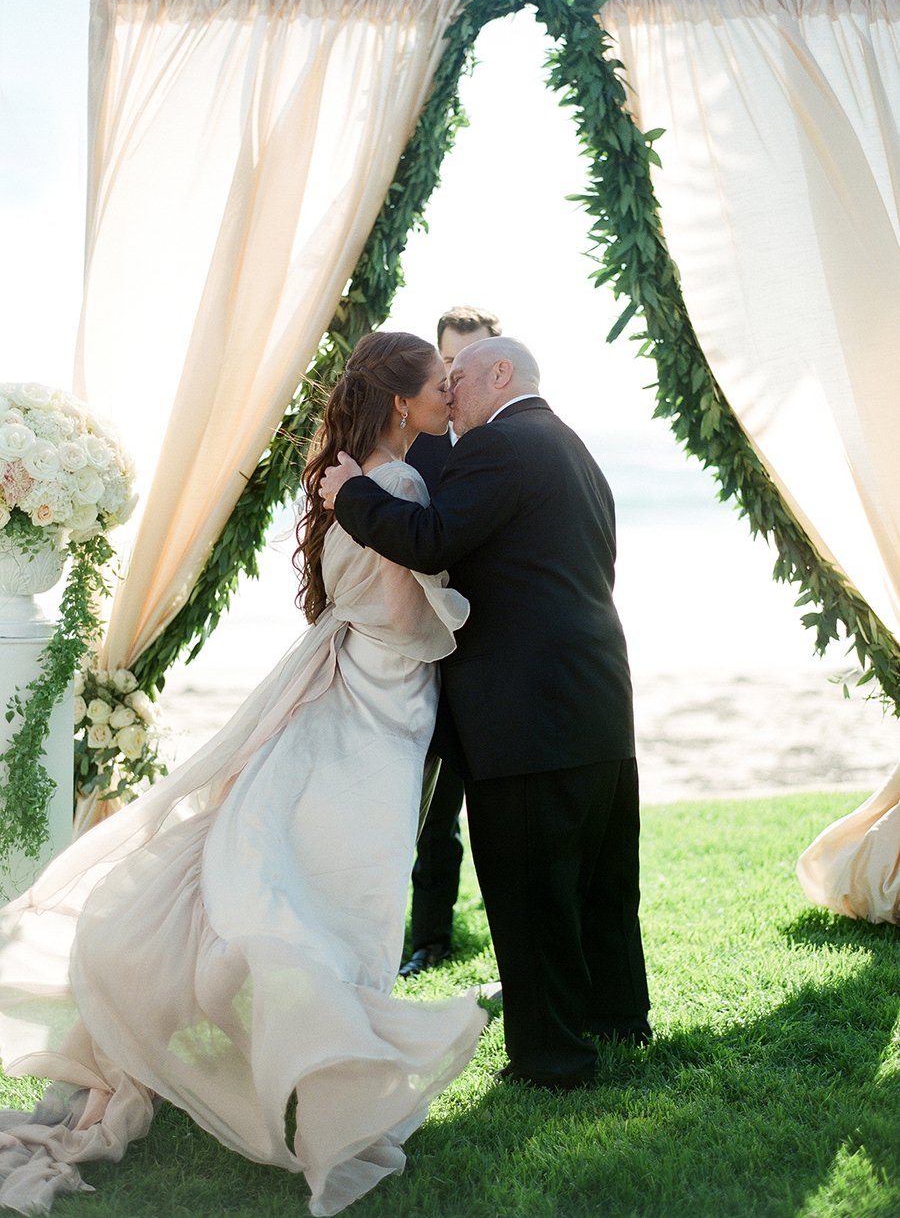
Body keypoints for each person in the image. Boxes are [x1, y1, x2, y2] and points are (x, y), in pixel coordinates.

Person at [0, 331, 486, 1216]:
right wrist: (463, 603)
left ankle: (299, 1047)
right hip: (376, 708)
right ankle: (334, 1074)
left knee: (285, 866)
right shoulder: (404, 484)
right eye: (437, 387)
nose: (449, 398)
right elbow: (407, 621)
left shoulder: (352, 475)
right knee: (360, 881)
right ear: (403, 404)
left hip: (329, 689)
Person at [320, 336, 651, 1090]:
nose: (449, 388)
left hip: (529, 712)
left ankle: (552, 1059)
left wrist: (353, 496)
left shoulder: (501, 445)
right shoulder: (571, 447)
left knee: (530, 891)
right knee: (602, 881)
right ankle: (617, 1016)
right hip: (596, 695)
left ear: (501, 374)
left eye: (458, 375)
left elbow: (431, 539)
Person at [400, 305, 501, 978]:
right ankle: (429, 936)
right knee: (433, 809)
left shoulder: (519, 440)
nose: (454, 379)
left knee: (501, 803)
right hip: (433, 654)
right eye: (446, 365)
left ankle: (509, 932)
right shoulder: (422, 445)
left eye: (466, 364)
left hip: (498, 652)